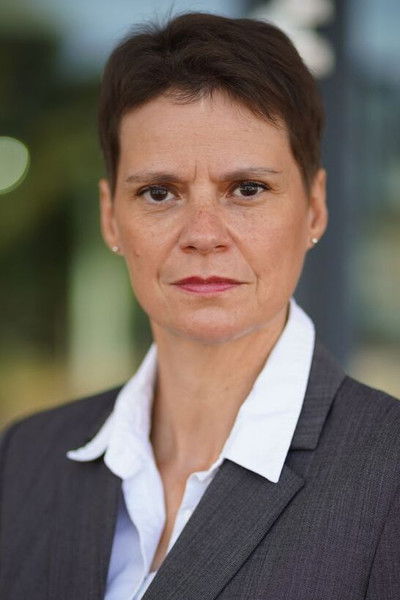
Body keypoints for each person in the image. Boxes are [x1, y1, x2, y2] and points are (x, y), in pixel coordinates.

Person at [1, 12, 399, 600]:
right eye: (159, 193)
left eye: (247, 189)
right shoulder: (24, 459)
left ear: (314, 208)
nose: (203, 235)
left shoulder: (388, 473)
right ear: (111, 217)